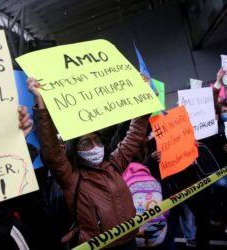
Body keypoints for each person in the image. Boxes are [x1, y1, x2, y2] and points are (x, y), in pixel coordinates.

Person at [27, 77, 150, 249]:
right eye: (86, 143)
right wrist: (40, 101)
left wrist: (143, 98)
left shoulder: (114, 163)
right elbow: (51, 151)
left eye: (97, 140)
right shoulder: (71, 178)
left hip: (131, 242)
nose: (95, 146)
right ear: (74, 149)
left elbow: (135, 134)